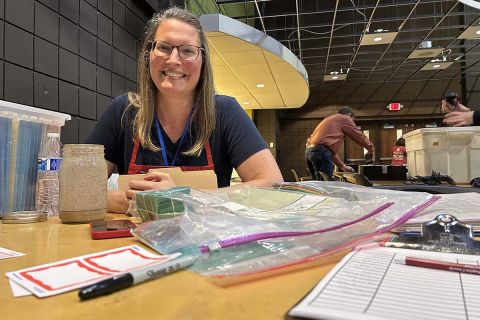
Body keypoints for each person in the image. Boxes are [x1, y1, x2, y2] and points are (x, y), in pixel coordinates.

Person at [84, 7, 283, 213]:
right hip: (135, 240)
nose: (173, 60)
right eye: (164, 47)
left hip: (204, 240)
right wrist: (130, 203)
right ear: (148, 55)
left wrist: (185, 198)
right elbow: (77, 189)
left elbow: (272, 185)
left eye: (187, 50)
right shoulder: (123, 112)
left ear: (203, 61)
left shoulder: (225, 112)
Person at [305, 106, 374, 180]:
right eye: (352, 120)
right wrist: (370, 148)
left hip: (309, 152)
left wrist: (343, 166)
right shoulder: (345, 118)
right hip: (320, 152)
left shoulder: (329, 119)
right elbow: (358, 135)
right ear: (349, 115)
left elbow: (330, 152)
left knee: (317, 184)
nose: (352, 122)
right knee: (325, 184)